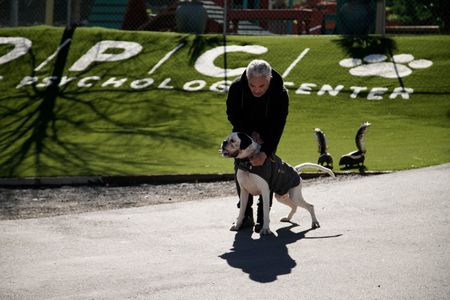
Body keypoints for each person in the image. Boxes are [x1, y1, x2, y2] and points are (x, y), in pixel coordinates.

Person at [226, 59, 289, 232]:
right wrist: (248, 134)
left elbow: (278, 125)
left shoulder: (281, 94)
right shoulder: (237, 88)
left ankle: (263, 216)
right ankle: (245, 215)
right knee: (242, 169)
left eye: (261, 86)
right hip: (244, 132)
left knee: (265, 170)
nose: (256, 90)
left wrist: (266, 151)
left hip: (268, 134)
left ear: (269, 79)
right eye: (252, 85)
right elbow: (232, 114)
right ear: (247, 79)